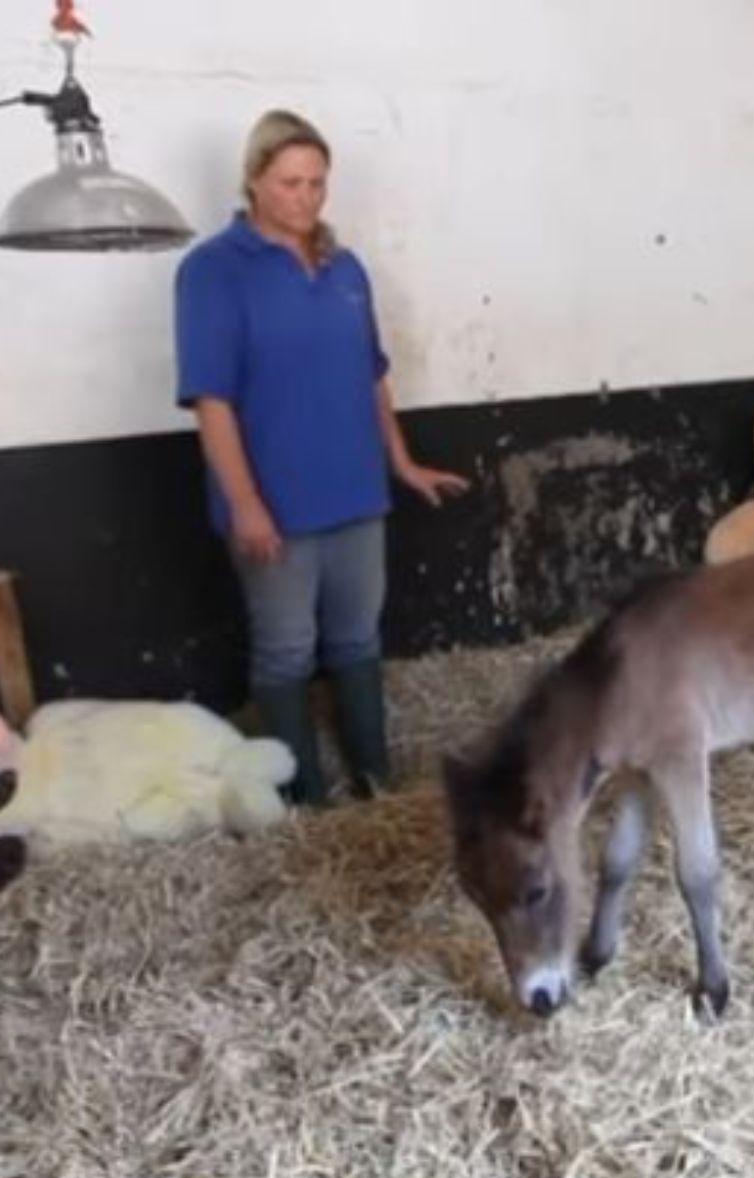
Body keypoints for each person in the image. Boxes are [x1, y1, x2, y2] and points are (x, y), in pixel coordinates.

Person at [174, 109, 468, 804]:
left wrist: (400, 462)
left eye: (316, 183)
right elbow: (211, 401)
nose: (304, 199)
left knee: (357, 640)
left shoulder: (346, 269)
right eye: (288, 183)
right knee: (284, 649)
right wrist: (245, 505)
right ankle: (304, 798)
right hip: (276, 505)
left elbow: (372, 376)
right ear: (252, 181)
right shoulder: (214, 272)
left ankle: (375, 782)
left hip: (357, 493)